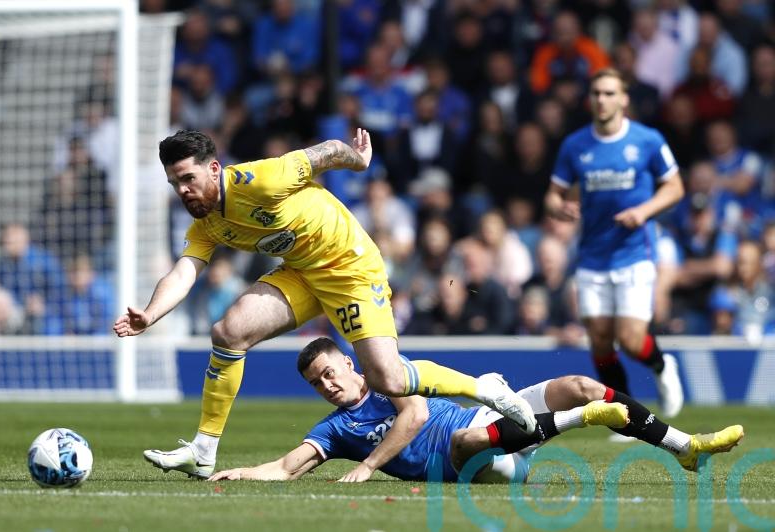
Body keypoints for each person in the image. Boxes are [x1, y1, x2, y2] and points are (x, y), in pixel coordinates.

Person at [116, 128, 537, 479]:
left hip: (349, 266)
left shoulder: (262, 179)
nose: (183, 190)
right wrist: (151, 314)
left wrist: (358, 159)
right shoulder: (206, 221)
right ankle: (204, 450)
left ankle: (485, 388)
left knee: (389, 379)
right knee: (229, 332)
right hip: (303, 271)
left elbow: (326, 152)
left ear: (213, 168)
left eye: (188, 178)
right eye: (175, 184)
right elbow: (185, 270)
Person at [208, 338, 744, 483]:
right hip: (483, 464)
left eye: (329, 372)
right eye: (315, 382)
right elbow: (284, 468)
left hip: (493, 427)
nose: (327, 385)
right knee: (463, 443)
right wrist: (240, 472)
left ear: (349, 364)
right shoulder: (336, 429)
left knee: (581, 383)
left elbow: (415, 415)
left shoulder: (387, 377)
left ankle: (686, 448)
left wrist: (368, 468)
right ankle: (580, 422)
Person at [544, 68, 686, 419]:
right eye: (596, 93)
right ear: (589, 99)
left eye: (609, 93)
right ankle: (626, 415)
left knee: (632, 339)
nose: (602, 100)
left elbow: (675, 187)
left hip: (634, 253)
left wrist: (644, 211)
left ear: (623, 99)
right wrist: (559, 208)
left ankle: (662, 363)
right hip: (592, 256)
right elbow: (552, 195)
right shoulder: (576, 145)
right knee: (601, 340)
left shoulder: (647, 140)